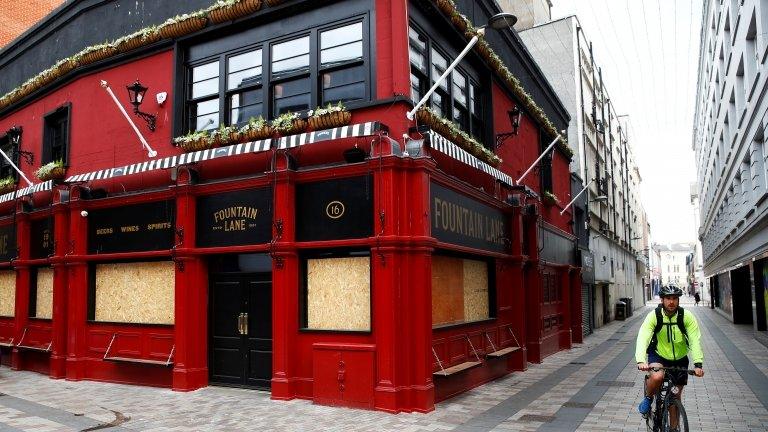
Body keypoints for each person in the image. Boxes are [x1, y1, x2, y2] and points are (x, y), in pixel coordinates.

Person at [636, 285, 704, 430]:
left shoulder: (686, 316)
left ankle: (674, 428)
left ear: (678, 300)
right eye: (668, 298)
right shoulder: (655, 316)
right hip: (659, 354)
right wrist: (641, 360)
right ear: (662, 299)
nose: (671, 302)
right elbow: (643, 336)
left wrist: (698, 364)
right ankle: (648, 398)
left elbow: (694, 340)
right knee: (656, 377)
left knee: (675, 397)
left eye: (674, 298)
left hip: (680, 358)